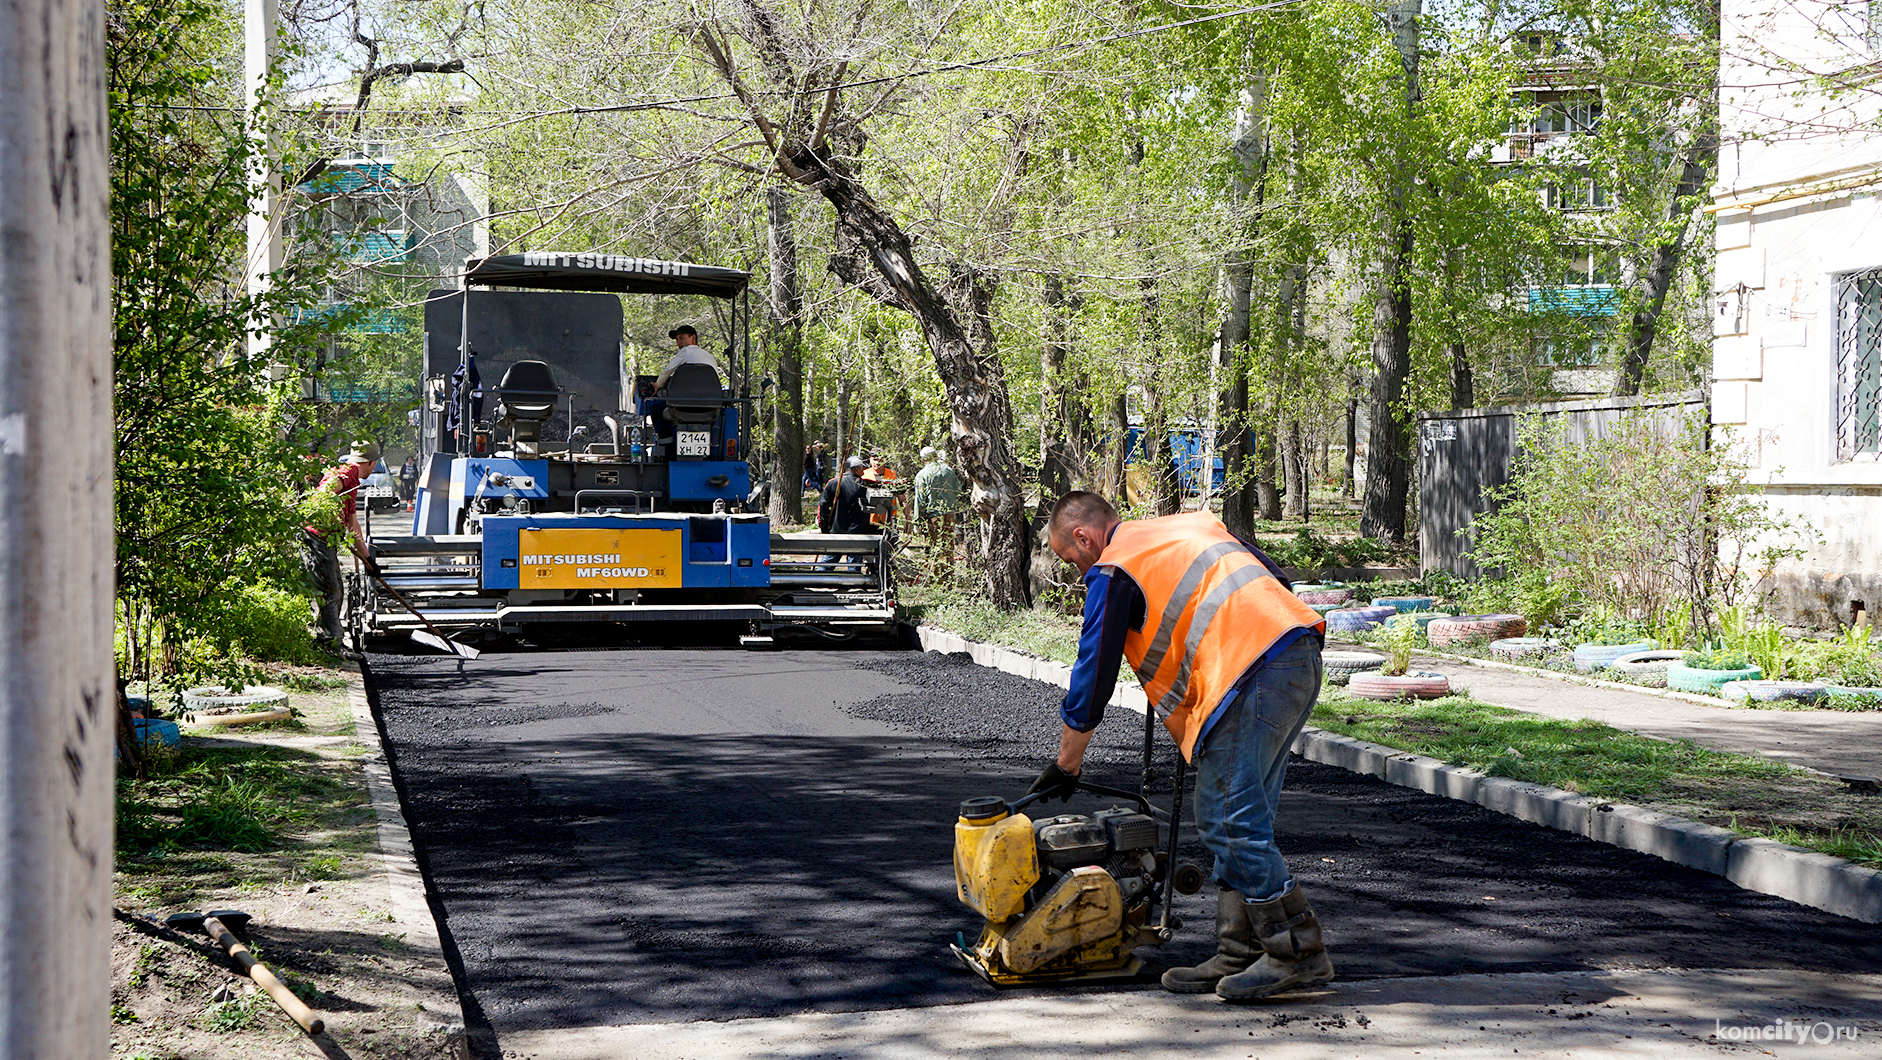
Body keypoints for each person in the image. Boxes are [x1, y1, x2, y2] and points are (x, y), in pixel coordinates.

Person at [1029, 490, 1330, 1001]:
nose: (1077, 569)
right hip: (1293, 655)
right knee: (1241, 819)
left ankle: (1295, 952)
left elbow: (1092, 673)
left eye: (1070, 557)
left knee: (1229, 818)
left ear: (1084, 536)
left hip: (1251, 671)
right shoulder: (1181, 529)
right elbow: (1271, 581)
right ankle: (1240, 950)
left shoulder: (1114, 566)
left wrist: (1067, 763)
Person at [301, 441, 378, 647]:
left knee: (337, 590)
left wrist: (368, 560)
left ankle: (327, 638)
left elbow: (353, 525)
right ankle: (332, 645)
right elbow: (322, 495)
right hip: (317, 538)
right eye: (374, 465)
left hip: (326, 540)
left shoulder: (351, 478)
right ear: (370, 463)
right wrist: (332, 517)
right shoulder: (345, 475)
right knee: (331, 591)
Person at [911, 445, 966, 570]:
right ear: (936, 456)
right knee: (948, 549)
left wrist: (917, 522)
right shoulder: (948, 471)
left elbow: (919, 501)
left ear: (923, 460)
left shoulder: (922, 474)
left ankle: (935, 581)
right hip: (949, 515)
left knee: (934, 550)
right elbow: (958, 490)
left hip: (933, 518)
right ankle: (948, 583)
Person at [817, 455, 872, 535]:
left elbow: (822, 507)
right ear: (856, 470)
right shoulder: (864, 485)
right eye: (862, 470)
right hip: (860, 532)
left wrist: (824, 528)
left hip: (836, 531)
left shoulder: (832, 483)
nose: (863, 473)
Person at [654, 325, 721, 389]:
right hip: (711, 396)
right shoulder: (709, 355)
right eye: (677, 340)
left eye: (681, 338)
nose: (678, 343)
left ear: (693, 338)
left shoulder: (686, 350)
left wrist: (658, 385)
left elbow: (667, 371)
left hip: (689, 396)